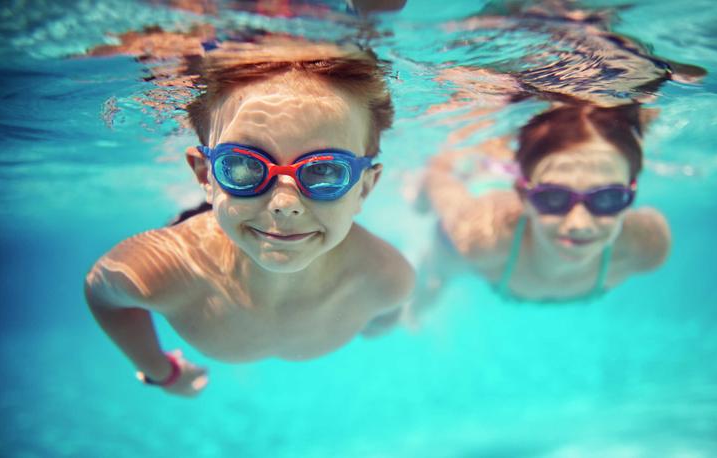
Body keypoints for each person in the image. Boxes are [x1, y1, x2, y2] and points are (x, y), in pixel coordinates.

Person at [84, 37, 414, 397]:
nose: (284, 204)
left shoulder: (386, 279)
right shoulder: (160, 270)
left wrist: (377, 321)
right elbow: (102, 295)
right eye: (242, 165)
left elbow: (387, 315)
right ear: (204, 176)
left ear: (364, 189)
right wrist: (160, 371)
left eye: (324, 172)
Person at [413, 103, 670, 312]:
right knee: (436, 279)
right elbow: (438, 177)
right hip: (463, 234)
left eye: (607, 198)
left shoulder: (647, 246)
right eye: (553, 198)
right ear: (523, 196)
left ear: (631, 195)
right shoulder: (480, 236)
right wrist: (421, 204)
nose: (579, 224)